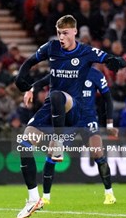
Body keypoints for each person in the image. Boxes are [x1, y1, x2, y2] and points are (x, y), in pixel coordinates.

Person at [14, 15, 126, 218]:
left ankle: (58, 143)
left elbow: (111, 59)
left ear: (75, 32)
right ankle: (33, 198)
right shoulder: (52, 47)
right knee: (24, 143)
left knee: (58, 96)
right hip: (52, 106)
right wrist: (22, 80)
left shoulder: (86, 52)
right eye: (59, 33)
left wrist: (116, 61)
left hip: (74, 107)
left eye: (65, 33)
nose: (61, 37)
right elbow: (30, 61)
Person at [28, 68, 118, 206]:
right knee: (52, 153)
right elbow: (43, 81)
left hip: (88, 119)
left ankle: (109, 193)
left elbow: (108, 98)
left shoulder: (95, 74)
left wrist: (110, 124)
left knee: (97, 152)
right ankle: (46, 197)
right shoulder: (64, 70)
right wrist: (32, 90)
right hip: (68, 120)